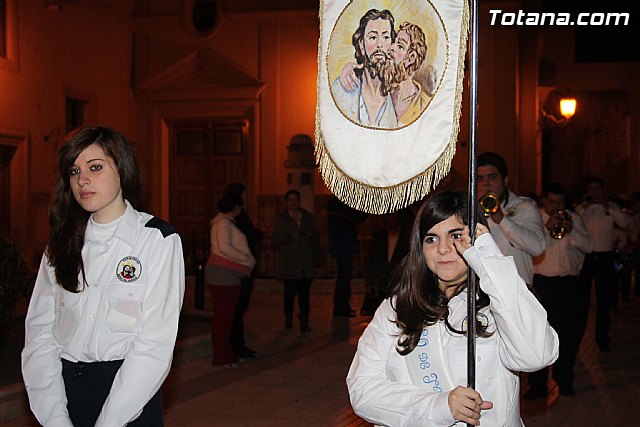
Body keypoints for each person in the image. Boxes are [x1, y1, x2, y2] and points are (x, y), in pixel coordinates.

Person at [347, 190, 558, 426]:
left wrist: (490, 262)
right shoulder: (397, 309)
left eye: (456, 235)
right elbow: (363, 391)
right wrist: (438, 406)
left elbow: (536, 356)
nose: (443, 249)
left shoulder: (500, 301)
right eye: (431, 239)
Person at [21, 125, 185, 427]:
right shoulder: (62, 243)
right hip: (65, 394)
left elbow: (154, 344)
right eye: (74, 171)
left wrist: (110, 421)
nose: (82, 180)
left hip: (129, 398)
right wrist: (55, 418)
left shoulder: (156, 239)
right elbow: (40, 335)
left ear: (122, 168)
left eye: (95, 167)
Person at [526, 182, 593, 399]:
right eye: (552, 202)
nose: (556, 206)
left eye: (560, 202)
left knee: (567, 335)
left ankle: (564, 381)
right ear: (544, 200)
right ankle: (538, 386)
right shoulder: (534, 219)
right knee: (538, 335)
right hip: (541, 284)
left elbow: (589, 246)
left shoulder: (573, 218)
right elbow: (533, 249)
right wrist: (546, 228)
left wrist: (572, 231)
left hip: (569, 284)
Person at [477, 151, 546, 286]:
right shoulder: (469, 210)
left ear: (505, 180)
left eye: (492, 177)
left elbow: (538, 248)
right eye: (480, 179)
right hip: (482, 289)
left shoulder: (524, 207)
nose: (486, 184)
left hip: (518, 289)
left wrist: (501, 219)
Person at [576, 176, 628, 352]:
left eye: (598, 188)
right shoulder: (582, 208)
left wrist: (608, 207)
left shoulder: (611, 208)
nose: (595, 192)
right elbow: (575, 222)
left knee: (603, 300)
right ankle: (577, 339)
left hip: (605, 256)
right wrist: (586, 208)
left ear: (603, 190)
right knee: (582, 301)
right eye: (592, 188)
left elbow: (624, 222)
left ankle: (602, 339)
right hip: (587, 257)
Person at [206, 193, 256, 368]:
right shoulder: (223, 223)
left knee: (227, 317)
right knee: (224, 318)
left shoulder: (224, 222)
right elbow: (224, 248)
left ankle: (226, 354)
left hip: (227, 274)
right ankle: (222, 357)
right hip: (224, 275)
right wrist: (247, 259)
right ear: (236, 206)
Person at [331, 8, 398, 128]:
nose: (379, 45)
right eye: (373, 37)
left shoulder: (398, 92)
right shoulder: (342, 88)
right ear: (362, 45)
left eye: (385, 37)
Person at [223, 183, 264, 359]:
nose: (247, 199)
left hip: (242, 269)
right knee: (237, 308)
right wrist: (249, 260)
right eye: (245, 196)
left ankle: (238, 344)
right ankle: (235, 345)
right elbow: (242, 241)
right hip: (239, 270)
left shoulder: (238, 218)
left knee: (239, 308)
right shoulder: (231, 221)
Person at [271, 190, 320, 333]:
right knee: (289, 293)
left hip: (305, 262)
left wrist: (309, 234)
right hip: (290, 262)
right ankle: (288, 318)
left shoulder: (307, 217)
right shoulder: (281, 219)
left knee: (304, 295)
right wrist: (289, 237)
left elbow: (317, 234)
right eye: (290, 200)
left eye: (295, 200)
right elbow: (276, 239)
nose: (293, 203)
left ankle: (304, 321)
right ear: (286, 202)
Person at [363, 208, 412, 315]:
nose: (388, 218)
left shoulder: (408, 237)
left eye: (392, 215)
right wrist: (370, 282)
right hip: (382, 285)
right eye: (387, 215)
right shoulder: (379, 236)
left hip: (401, 286)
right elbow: (372, 261)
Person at [327, 196, 367, 317]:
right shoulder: (341, 205)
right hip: (343, 245)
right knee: (344, 276)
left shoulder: (335, 205)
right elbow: (359, 217)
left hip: (342, 244)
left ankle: (342, 306)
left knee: (344, 276)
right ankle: (341, 307)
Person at [387, 22, 432, 126]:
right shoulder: (382, 93)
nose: (391, 48)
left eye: (400, 46)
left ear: (411, 58)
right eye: (393, 42)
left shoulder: (426, 105)